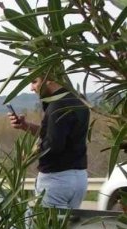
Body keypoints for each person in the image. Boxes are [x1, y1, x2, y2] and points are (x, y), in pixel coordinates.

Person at [8, 77, 90, 209]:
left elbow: (53, 145)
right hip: (79, 178)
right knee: (67, 228)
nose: (31, 88)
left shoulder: (57, 105)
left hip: (56, 180)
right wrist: (25, 125)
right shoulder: (77, 100)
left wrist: (29, 153)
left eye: (34, 82)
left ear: (49, 78)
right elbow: (55, 134)